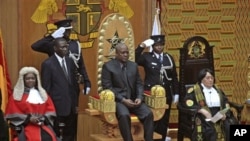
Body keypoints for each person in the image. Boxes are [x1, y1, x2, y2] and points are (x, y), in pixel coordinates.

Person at [101, 43, 154, 141]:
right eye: (122, 53)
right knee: (124, 115)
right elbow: (107, 87)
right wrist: (123, 100)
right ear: (116, 54)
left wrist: (139, 97)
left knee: (148, 114)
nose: (125, 55)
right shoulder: (108, 67)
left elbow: (139, 84)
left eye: (127, 52)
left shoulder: (133, 65)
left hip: (134, 100)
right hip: (119, 101)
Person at [135, 35, 179, 141]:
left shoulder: (168, 57)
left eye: (161, 45)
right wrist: (141, 46)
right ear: (152, 46)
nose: (159, 47)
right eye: (156, 45)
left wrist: (176, 93)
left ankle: (162, 138)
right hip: (151, 94)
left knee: (164, 119)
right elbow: (134, 58)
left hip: (166, 93)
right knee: (152, 118)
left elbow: (174, 77)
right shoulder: (147, 57)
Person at [31, 19, 91, 95]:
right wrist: (52, 36)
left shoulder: (75, 44)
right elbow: (35, 46)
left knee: (73, 106)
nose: (68, 33)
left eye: (69, 30)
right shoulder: (52, 45)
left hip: (73, 85)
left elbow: (81, 65)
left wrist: (87, 82)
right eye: (65, 31)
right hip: (57, 86)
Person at [5, 67, 58, 141]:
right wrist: (29, 119)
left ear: (36, 80)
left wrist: (43, 118)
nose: (30, 80)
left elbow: (50, 111)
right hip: (25, 126)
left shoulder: (43, 94)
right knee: (33, 138)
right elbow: (12, 114)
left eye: (33, 78)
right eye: (28, 78)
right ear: (23, 80)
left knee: (50, 137)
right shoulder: (17, 95)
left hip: (42, 125)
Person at [41, 37, 79, 141]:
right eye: (62, 47)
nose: (65, 49)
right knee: (56, 134)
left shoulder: (70, 61)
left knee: (70, 134)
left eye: (66, 47)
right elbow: (46, 88)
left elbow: (74, 85)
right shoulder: (48, 64)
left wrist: (75, 104)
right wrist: (48, 108)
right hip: (56, 106)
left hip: (71, 106)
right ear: (55, 48)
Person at [184, 68, 235, 141]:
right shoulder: (194, 90)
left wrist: (225, 114)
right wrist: (201, 110)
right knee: (210, 130)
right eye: (208, 78)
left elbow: (225, 101)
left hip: (219, 114)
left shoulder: (217, 89)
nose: (211, 80)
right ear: (201, 79)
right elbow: (188, 103)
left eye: (212, 78)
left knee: (229, 126)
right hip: (204, 115)